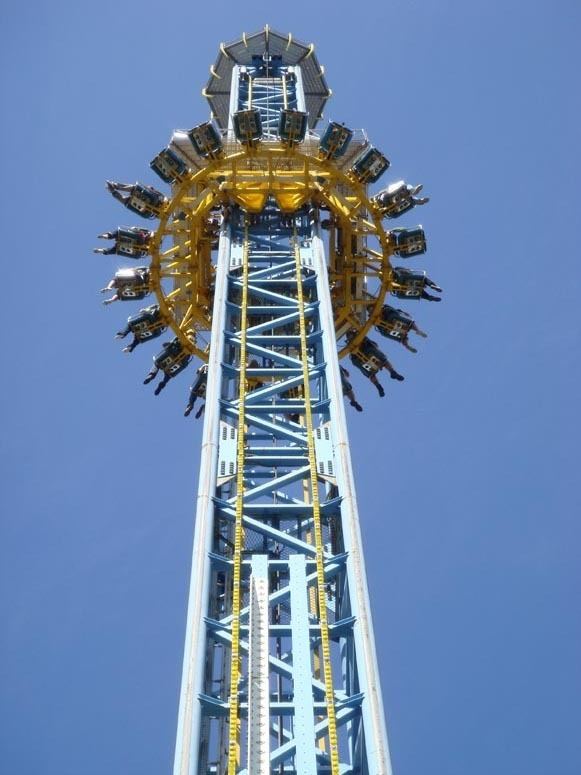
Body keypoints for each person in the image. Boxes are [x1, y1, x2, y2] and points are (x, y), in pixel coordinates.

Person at [346, 332, 404, 398]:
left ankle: (393, 372)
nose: (349, 337)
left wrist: (370, 344)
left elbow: (374, 344)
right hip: (361, 359)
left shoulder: (361, 337)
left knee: (382, 360)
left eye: (350, 335)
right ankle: (378, 386)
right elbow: (352, 358)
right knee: (369, 373)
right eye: (349, 336)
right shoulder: (350, 346)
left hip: (368, 352)